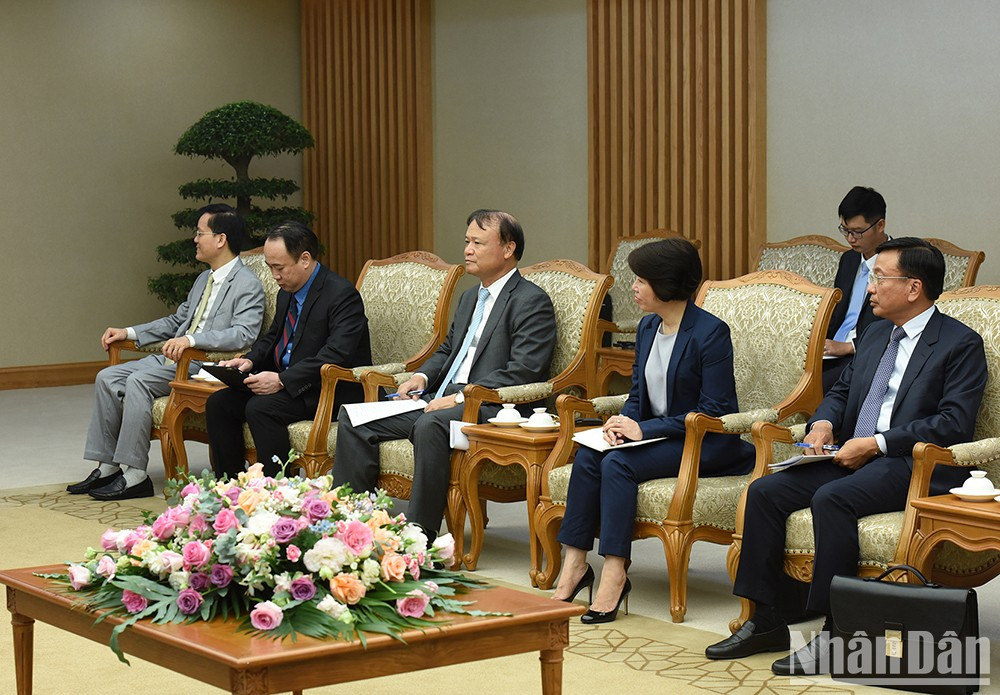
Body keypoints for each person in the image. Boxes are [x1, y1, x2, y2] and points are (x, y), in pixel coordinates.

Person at [706, 237, 987, 676]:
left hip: (911, 465)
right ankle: (766, 619)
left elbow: (953, 424)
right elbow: (840, 391)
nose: (869, 288)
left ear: (913, 288)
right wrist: (822, 424)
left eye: (879, 277)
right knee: (764, 492)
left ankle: (838, 633)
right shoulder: (875, 334)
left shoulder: (959, 343)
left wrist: (876, 444)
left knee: (832, 499)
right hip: (850, 452)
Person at [550, 238, 755, 623]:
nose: (634, 287)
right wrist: (619, 425)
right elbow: (638, 393)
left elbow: (715, 410)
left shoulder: (711, 333)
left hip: (705, 443)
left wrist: (642, 430)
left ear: (667, 283)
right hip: (658, 436)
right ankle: (575, 563)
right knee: (592, 455)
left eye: (642, 280)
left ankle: (615, 570)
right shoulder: (647, 327)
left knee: (618, 466)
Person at [332, 209, 556, 539]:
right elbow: (448, 350)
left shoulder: (530, 301)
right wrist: (421, 377)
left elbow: (524, 370)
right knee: (353, 418)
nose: (467, 250)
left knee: (431, 423)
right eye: (467, 241)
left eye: (478, 243)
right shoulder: (470, 298)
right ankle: (355, 526)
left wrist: (460, 396)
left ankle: (420, 534)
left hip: (492, 408)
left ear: (508, 249)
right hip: (440, 400)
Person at [71, 204, 265, 500]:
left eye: (200, 233)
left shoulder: (247, 284)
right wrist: (129, 332)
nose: (195, 239)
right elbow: (177, 321)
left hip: (206, 364)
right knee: (108, 377)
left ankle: (135, 475)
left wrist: (191, 340)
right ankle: (108, 466)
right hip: (173, 360)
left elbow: (243, 333)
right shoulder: (204, 279)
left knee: (138, 381)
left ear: (221, 239)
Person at [205, 220, 372, 478]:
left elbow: (338, 354)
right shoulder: (287, 291)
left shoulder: (341, 294)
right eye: (270, 267)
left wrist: (283, 380)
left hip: (327, 388)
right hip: (287, 383)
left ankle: (276, 491)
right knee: (219, 403)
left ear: (304, 259)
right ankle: (229, 488)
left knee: (261, 408)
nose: (274, 276)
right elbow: (273, 337)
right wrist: (249, 361)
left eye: (279, 267)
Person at [822, 186, 889, 392]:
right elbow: (836, 315)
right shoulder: (849, 260)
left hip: (864, 357)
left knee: (822, 386)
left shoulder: (899, 264)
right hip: (831, 351)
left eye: (858, 232)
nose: (851, 239)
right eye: (845, 230)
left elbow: (897, 322)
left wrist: (850, 347)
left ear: (880, 225)